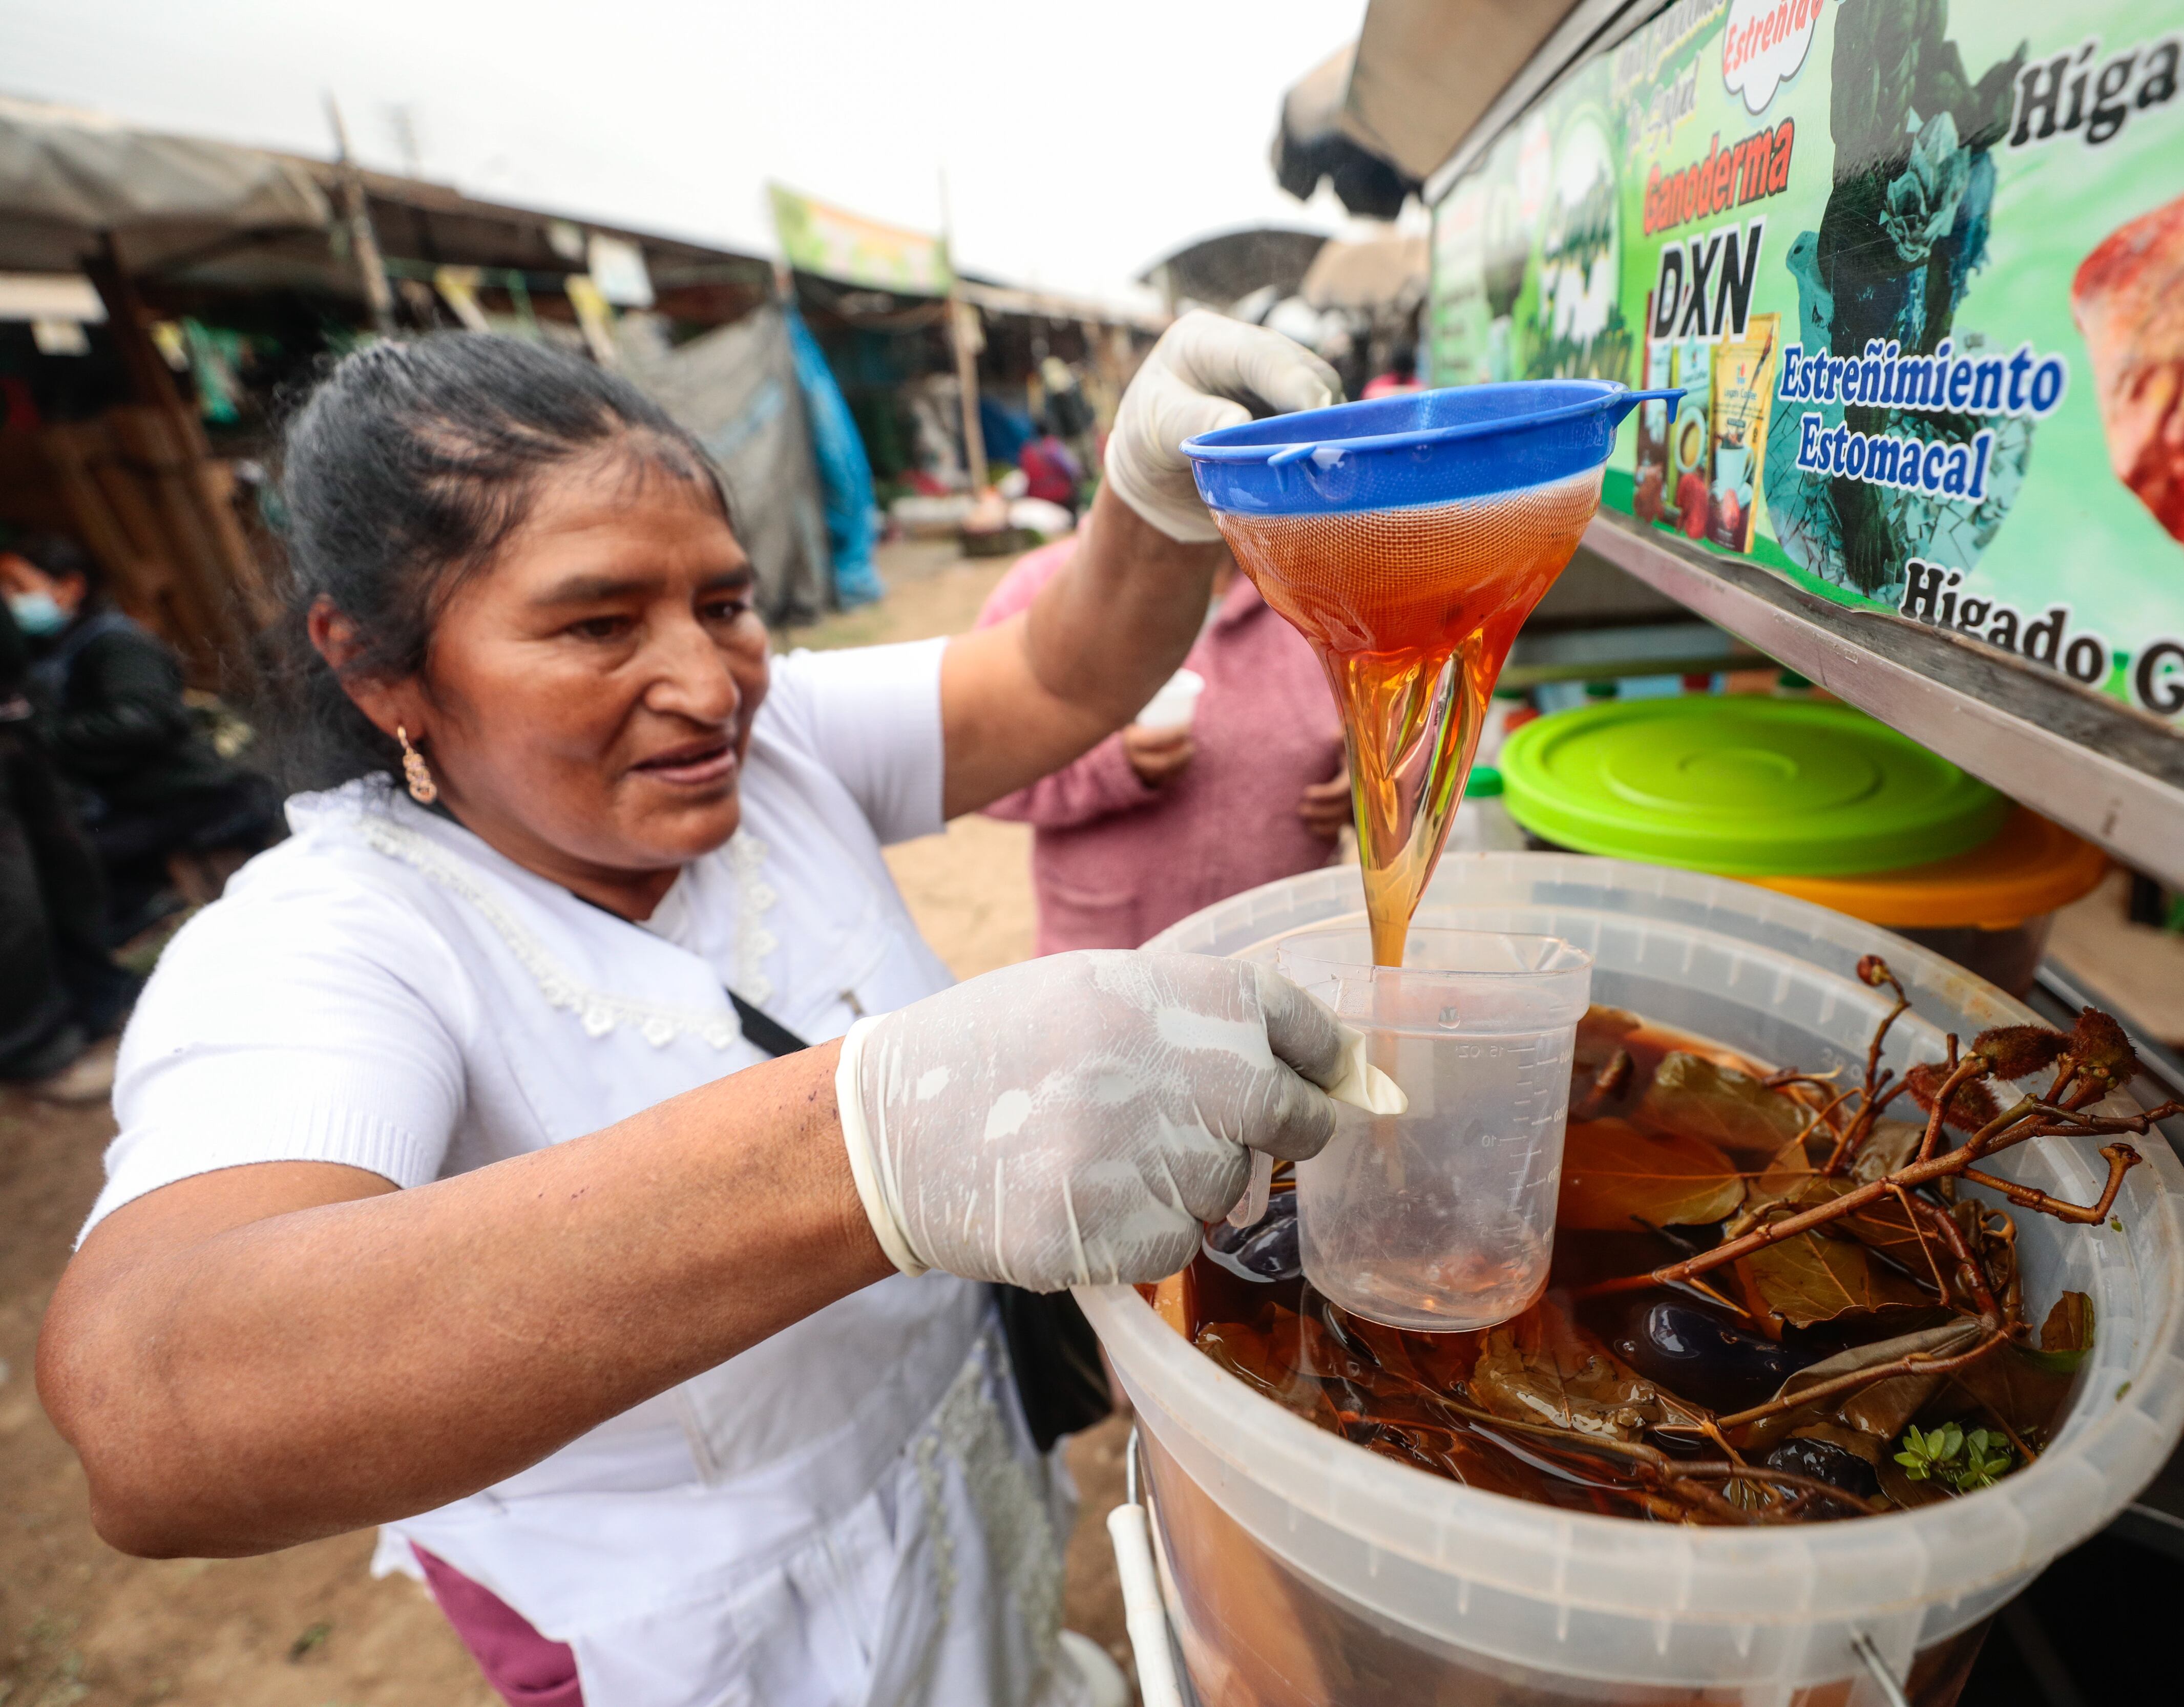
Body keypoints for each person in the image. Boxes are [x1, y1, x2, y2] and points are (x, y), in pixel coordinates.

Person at [35, 317, 1350, 1707]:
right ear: (378, 667)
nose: (707, 683)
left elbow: (1059, 673)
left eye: (725, 604)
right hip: (691, 1631)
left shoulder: (774, 752)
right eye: (599, 622)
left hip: (949, 1467)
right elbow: (153, 1405)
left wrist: (1145, 506)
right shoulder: (333, 937)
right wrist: (869, 1148)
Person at [975, 537, 1350, 953]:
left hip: (1280, 953)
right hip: (1109, 962)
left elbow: (1411, 739)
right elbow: (979, 766)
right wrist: (1110, 765)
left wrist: (1373, 781)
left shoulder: (1325, 590)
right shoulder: (1044, 586)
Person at [1, 533, 281, 930]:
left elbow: (143, 720)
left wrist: (40, 738)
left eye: (18, 586)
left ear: (69, 586)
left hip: (182, 800)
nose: (9, 600)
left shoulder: (114, 643)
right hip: (121, 805)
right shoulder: (48, 651)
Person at [0, 599, 138, 1102]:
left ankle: (101, 998)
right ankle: (39, 1049)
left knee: (67, 868)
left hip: (13, 717)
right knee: (12, 903)